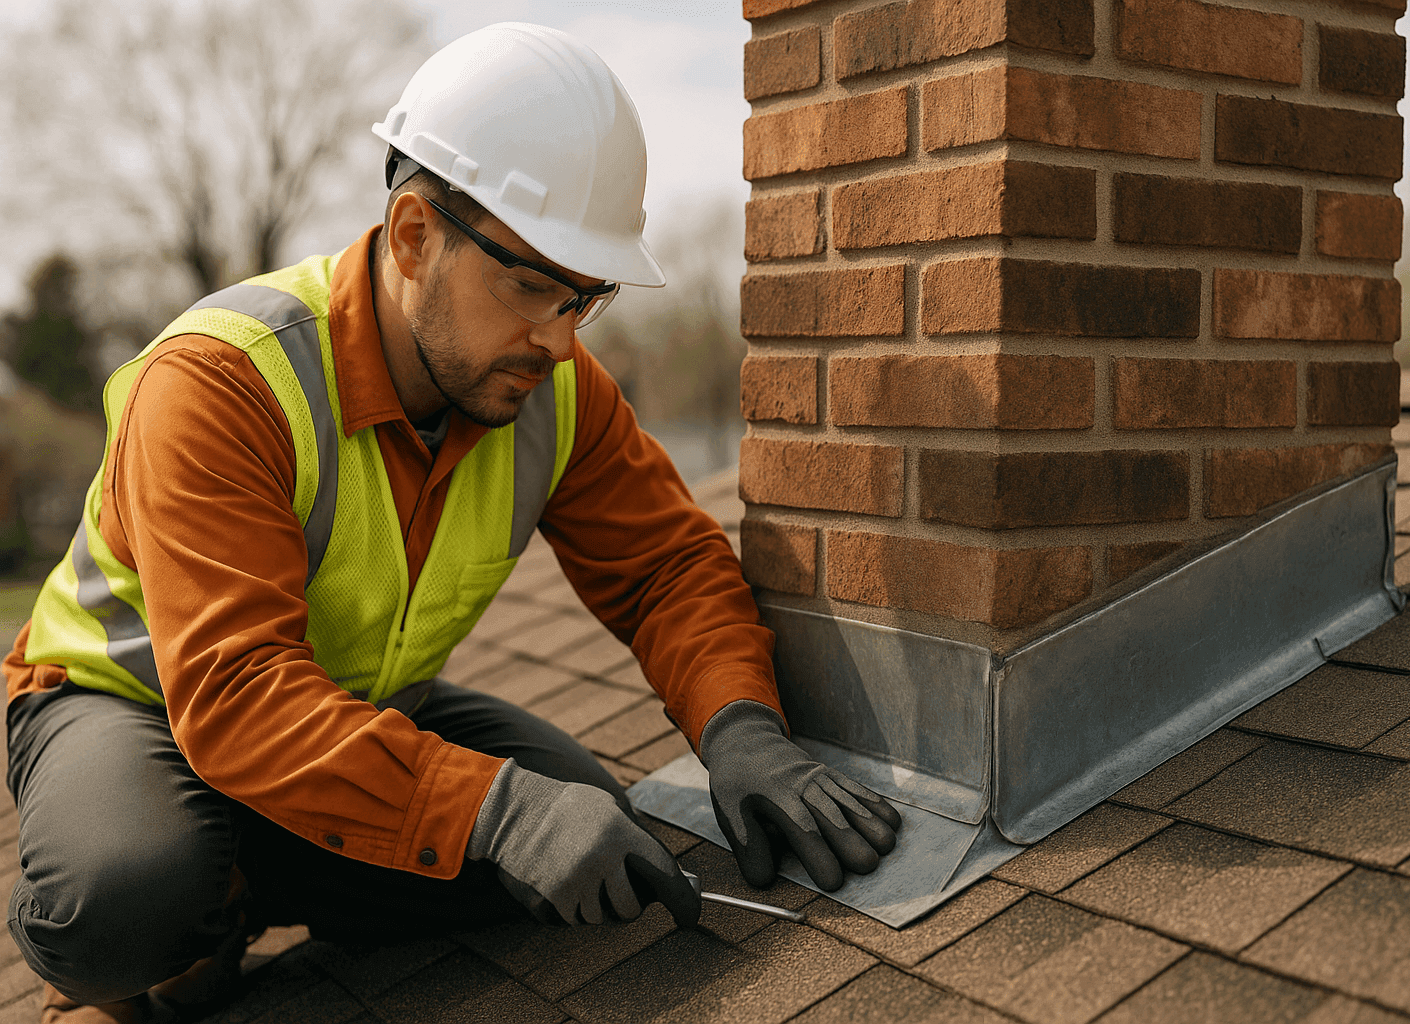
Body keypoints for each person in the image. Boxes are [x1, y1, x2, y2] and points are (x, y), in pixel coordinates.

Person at [3, 23, 901, 1024]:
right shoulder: (222, 382)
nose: (559, 339)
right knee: (125, 889)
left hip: (350, 709)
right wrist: (491, 809)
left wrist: (742, 730)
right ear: (413, 236)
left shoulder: (553, 388)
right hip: (135, 706)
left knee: (595, 843)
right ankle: (150, 930)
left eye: (584, 298)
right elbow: (237, 690)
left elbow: (665, 568)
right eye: (530, 285)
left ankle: (239, 883)